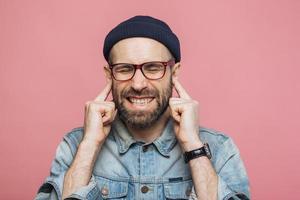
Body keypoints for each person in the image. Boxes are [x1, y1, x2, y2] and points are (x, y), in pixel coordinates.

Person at [35, 15, 250, 200]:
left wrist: (193, 146)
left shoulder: (219, 149)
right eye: (125, 69)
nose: (138, 84)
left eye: (153, 68)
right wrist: (90, 145)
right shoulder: (75, 147)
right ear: (109, 75)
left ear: (174, 73)